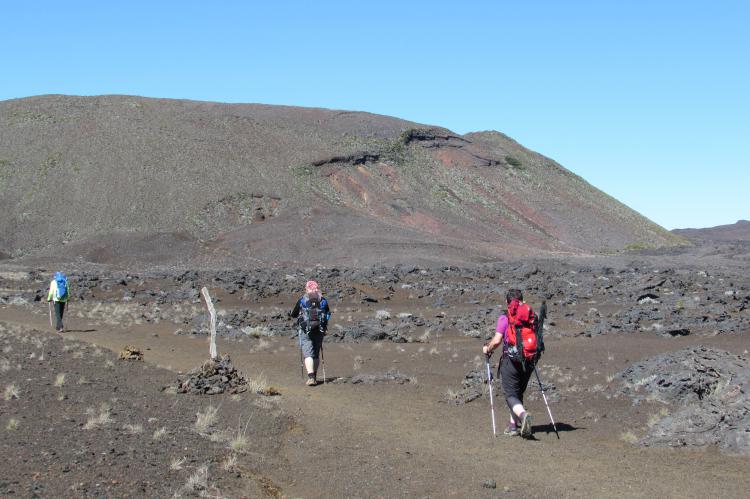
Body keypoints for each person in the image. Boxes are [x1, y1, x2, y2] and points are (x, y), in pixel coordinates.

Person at [483, 288, 534, 438]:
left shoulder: (505, 318)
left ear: (507, 303)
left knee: (511, 394)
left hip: (510, 360)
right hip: (529, 359)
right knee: (518, 392)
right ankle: (513, 426)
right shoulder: (530, 316)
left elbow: (497, 340)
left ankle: (523, 416)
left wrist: (487, 348)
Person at [290, 280, 330, 386]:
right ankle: (315, 377)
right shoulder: (323, 300)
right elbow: (328, 314)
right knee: (316, 354)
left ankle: (311, 377)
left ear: (306, 288)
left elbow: (293, 314)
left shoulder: (302, 300)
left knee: (308, 354)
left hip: (305, 331)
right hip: (319, 330)